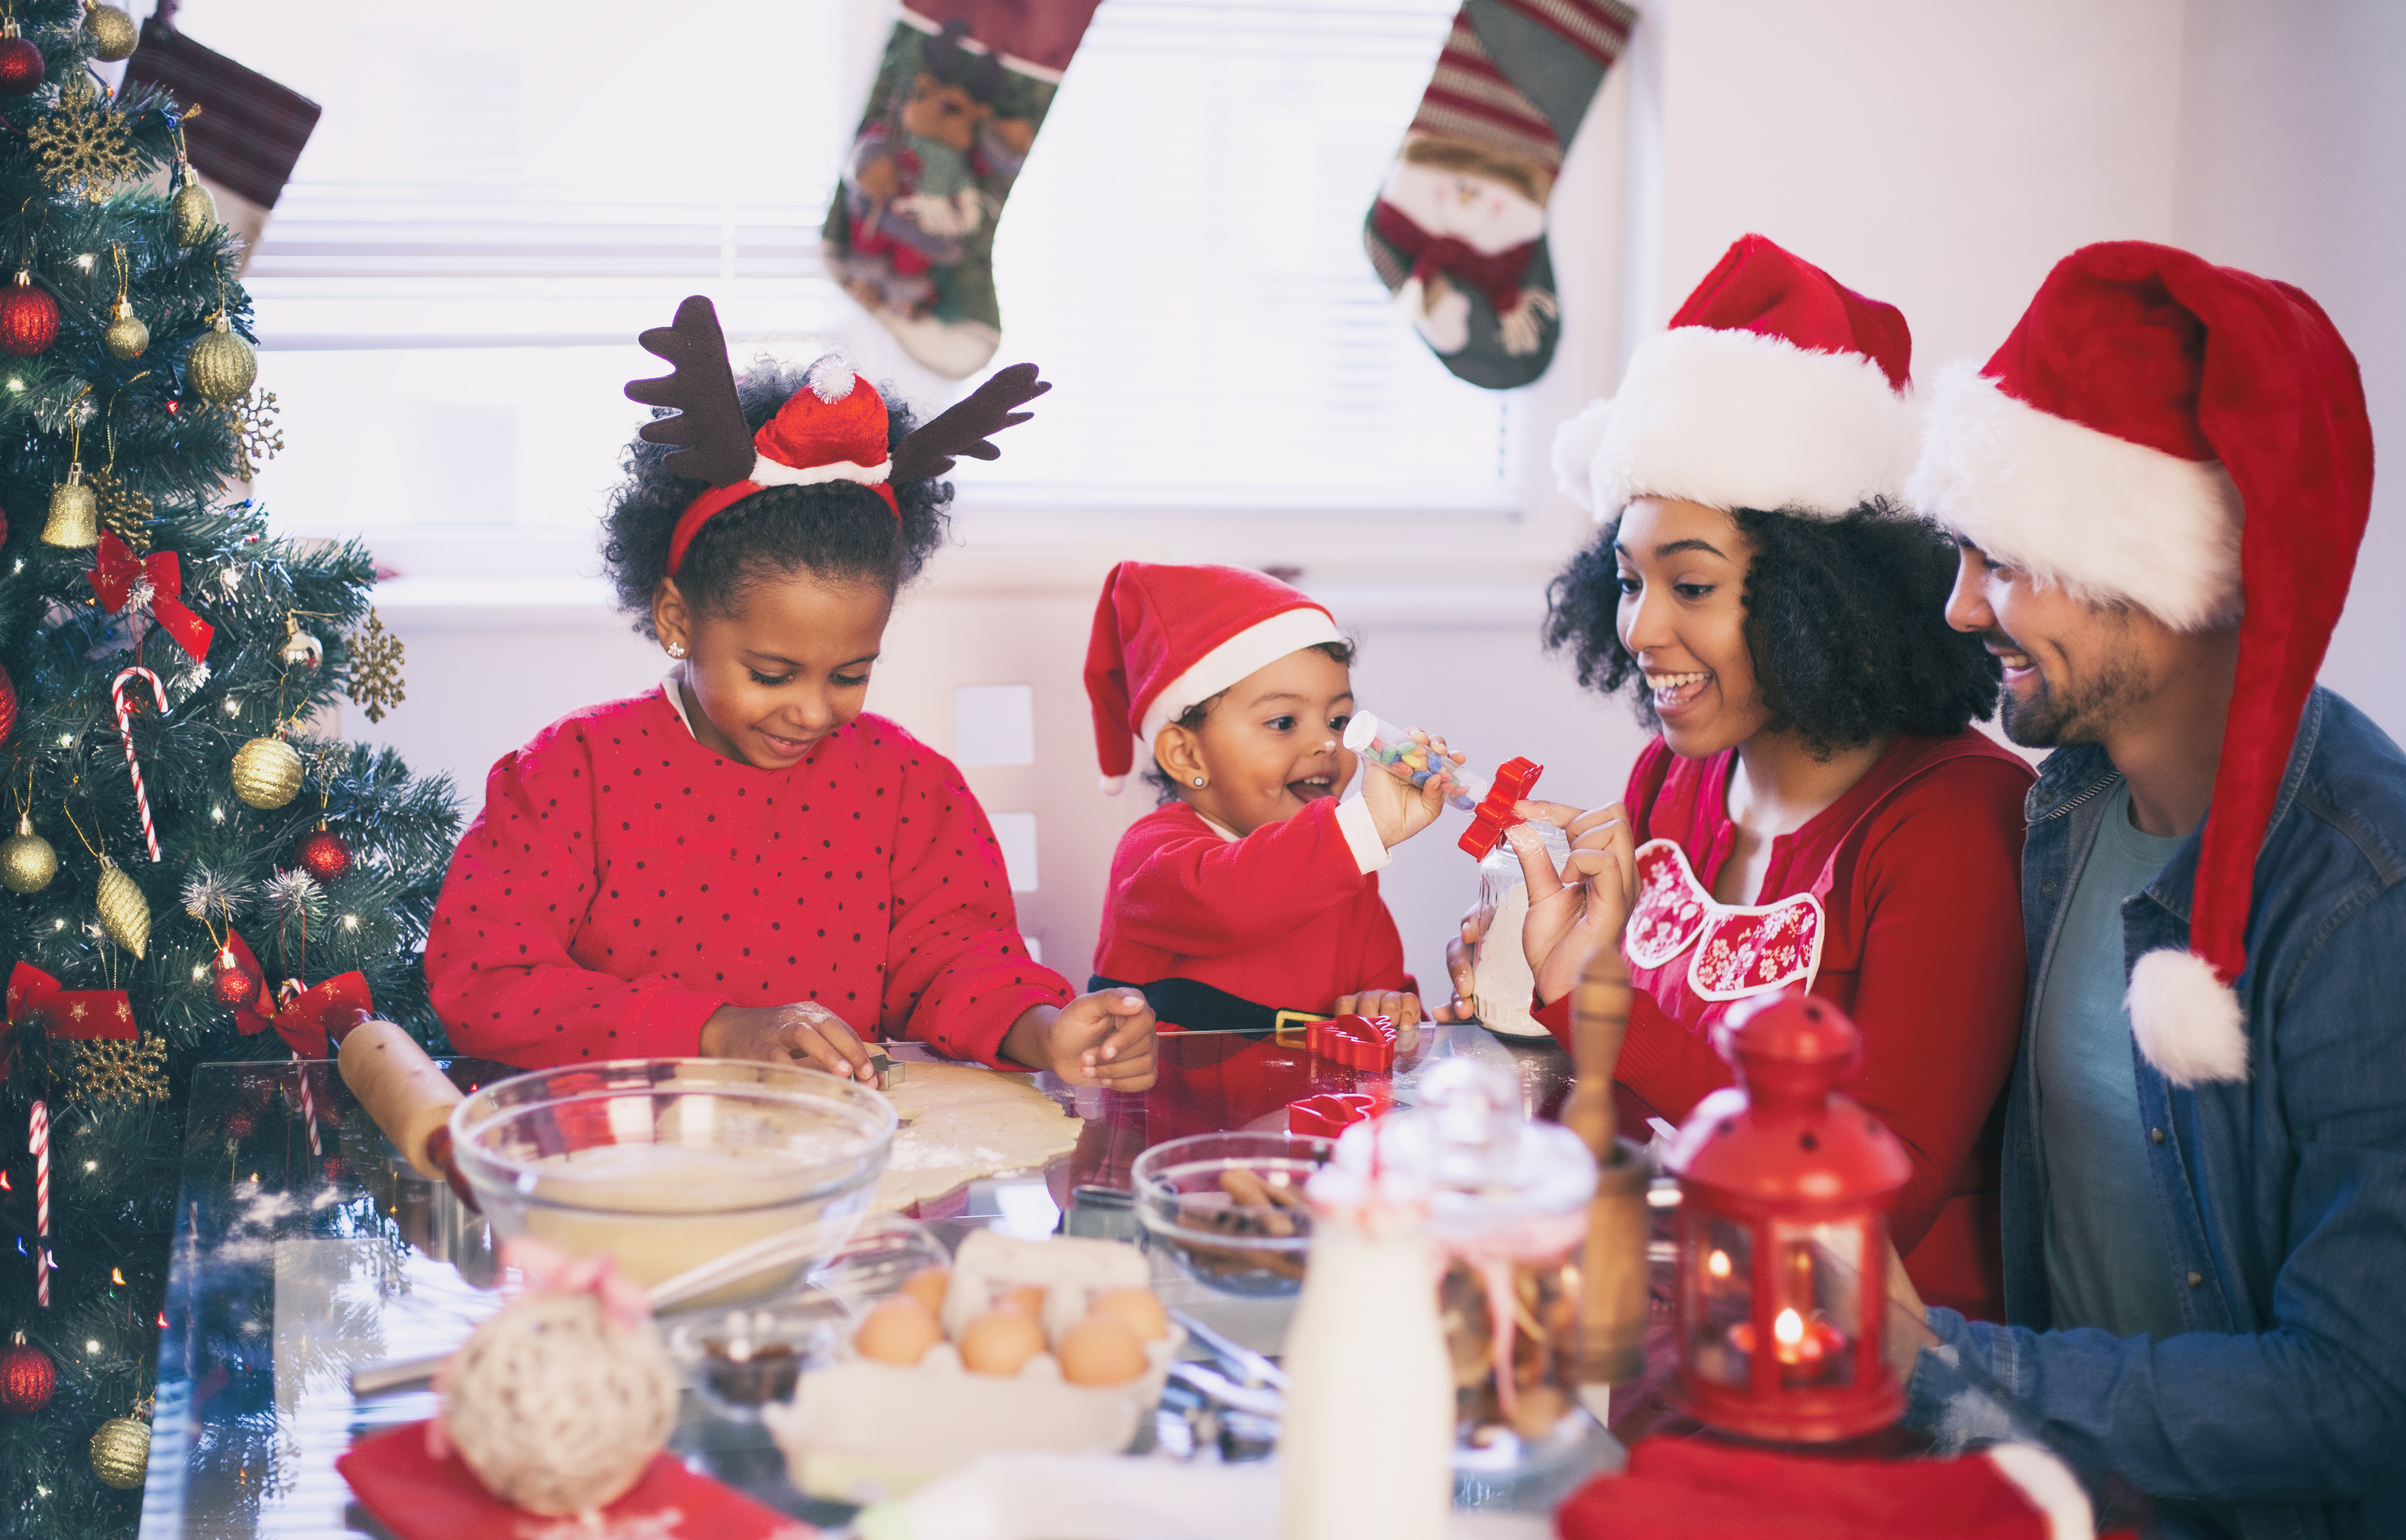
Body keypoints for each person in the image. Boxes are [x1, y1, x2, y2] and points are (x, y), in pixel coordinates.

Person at [1894, 241, 2399, 1540]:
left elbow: (2357, 1393)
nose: (1958, 608)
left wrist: (1938, 1362)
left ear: (2169, 577)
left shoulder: (2360, 897)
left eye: (2000, 560)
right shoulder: (2057, 803)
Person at [1485, 235, 2033, 1321]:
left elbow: (1869, 1206)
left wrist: (1602, 1010)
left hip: (1859, 1365)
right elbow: (1636, 1101)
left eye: (1690, 583)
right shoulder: (1668, 776)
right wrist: (1541, 991)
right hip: (1670, 1294)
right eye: (1626, 578)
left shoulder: (1954, 820)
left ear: (1826, 596)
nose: (1639, 627)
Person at [424, 296, 1157, 1091]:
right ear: (679, 619)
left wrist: (1046, 1033)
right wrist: (715, 1030)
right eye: (771, 674)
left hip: (840, 1183)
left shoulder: (909, 788)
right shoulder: (571, 774)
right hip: (623, 1172)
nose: (813, 712)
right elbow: (486, 983)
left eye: (850, 674)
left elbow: (957, 964)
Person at [1084, 560, 1449, 1038]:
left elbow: (1393, 1025)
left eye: (1338, 720)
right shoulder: (1149, 857)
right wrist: (1365, 828)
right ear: (1186, 754)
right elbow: (1228, 903)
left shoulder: (1350, 882)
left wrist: (1387, 1011)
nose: (1328, 744)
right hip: (1164, 1111)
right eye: (1283, 722)